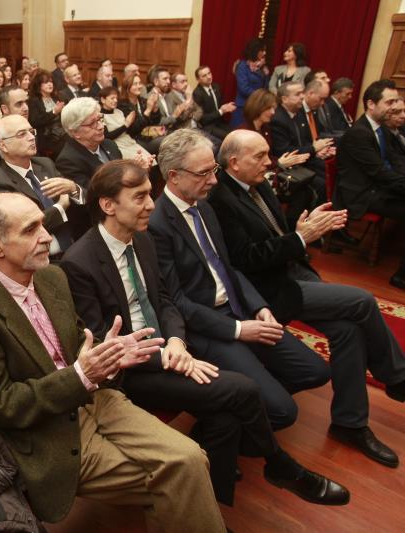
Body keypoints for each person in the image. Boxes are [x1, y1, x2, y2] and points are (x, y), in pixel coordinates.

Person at [63, 158, 348, 507]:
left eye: (150, 195)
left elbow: (165, 301)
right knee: (242, 389)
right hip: (130, 370)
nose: (152, 205)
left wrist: (178, 343)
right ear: (108, 205)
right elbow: (105, 344)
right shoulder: (79, 263)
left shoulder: (142, 239)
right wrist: (166, 355)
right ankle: (280, 465)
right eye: (139, 197)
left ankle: (210, 507)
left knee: (225, 416)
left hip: (168, 348)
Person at [0, 191, 226, 531]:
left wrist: (109, 355)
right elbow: (1, 406)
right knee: (179, 475)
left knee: (191, 458)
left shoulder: (51, 277)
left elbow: (78, 339)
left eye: (44, 226)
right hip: (47, 431)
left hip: (98, 400)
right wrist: (80, 375)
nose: (48, 237)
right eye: (31, 230)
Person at [209, 129, 405, 468]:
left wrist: (299, 229)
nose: (269, 162)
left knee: (348, 328)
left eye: (268, 153)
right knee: (361, 301)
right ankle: (397, 376)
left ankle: (350, 423)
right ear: (234, 162)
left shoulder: (259, 183)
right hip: (267, 291)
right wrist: (299, 239)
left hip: (290, 272)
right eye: (260, 156)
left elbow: (274, 232)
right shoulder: (219, 199)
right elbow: (243, 261)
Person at [149, 128, 332, 431]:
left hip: (241, 309)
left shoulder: (204, 207)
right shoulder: (156, 225)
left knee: (316, 372)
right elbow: (176, 301)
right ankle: (220, 428)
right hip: (208, 326)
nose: (214, 180)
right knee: (285, 412)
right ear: (173, 176)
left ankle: (236, 413)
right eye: (203, 173)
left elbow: (229, 267)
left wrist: (259, 307)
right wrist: (237, 330)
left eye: (214, 170)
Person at [336, 79, 405, 288]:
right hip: (362, 194)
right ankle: (401, 277)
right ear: (371, 104)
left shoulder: (381, 129)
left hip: (378, 187)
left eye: (395, 101)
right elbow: (379, 173)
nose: (394, 107)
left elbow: (395, 162)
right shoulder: (359, 133)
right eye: (389, 102)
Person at [0, 114, 79, 255]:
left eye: (31, 131)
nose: (31, 137)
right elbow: (25, 227)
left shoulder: (45, 163)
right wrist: (60, 207)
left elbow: (73, 198)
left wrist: (73, 189)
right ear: (3, 145)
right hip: (42, 257)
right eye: (22, 134)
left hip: (74, 243)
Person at [270, 80, 334, 228]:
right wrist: (313, 149)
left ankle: (322, 224)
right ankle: (309, 226)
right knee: (320, 185)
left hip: (304, 161)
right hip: (287, 167)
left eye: (302, 93)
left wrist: (318, 151)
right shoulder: (279, 119)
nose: (302, 96)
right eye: (297, 94)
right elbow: (286, 152)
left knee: (330, 172)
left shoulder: (297, 114)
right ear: (284, 99)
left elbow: (304, 143)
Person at [55, 96, 122, 191]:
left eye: (100, 119)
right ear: (75, 132)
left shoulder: (109, 144)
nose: (101, 126)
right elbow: (90, 195)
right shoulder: (68, 161)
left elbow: (122, 173)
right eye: (92, 123)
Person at [241, 88, 311, 171]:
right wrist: (279, 163)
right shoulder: (244, 133)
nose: (273, 112)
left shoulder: (265, 128)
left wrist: (289, 159)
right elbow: (251, 165)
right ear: (258, 107)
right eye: (269, 108)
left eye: (274, 108)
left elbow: (270, 155)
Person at [118, 72, 163, 154]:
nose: (139, 86)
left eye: (140, 83)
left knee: (170, 140)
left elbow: (156, 121)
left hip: (148, 136)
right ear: (127, 87)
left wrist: (155, 108)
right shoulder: (122, 105)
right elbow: (133, 129)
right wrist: (148, 110)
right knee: (164, 143)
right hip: (133, 139)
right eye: (135, 84)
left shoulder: (142, 101)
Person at [100, 87, 150, 160]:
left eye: (116, 98)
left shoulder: (119, 112)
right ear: (103, 100)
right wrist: (126, 125)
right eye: (112, 98)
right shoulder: (100, 115)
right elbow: (107, 137)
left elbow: (129, 131)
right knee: (142, 162)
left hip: (129, 142)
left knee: (150, 160)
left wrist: (131, 123)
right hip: (117, 146)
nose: (115, 100)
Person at [27, 69, 66, 158]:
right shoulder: (34, 101)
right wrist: (54, 112)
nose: (50, 84)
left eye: (51, 82)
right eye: (46, 82)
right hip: (47, 137)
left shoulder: (57, 97)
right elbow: (35, 121)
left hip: (62, 133)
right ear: (38, 85)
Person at [231, 38, 269, 127]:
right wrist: (260, 96)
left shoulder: (263, 67)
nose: (264, 53)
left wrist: (265, 72)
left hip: (257, 107)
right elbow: (243, 88)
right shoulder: (243, 65)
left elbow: (265, 86)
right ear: (255, 50)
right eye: (262, 50)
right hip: (244, 106)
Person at [192, 65, 235, 140]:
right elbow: (202, 119)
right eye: (204, 76)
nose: (209, 77)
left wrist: (226, 107)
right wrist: (221, 111)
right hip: (208, 126)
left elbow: (220, 106)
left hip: (220, 122)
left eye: (209, 73)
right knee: (229, 137)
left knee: (236, 133)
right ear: (198, 79)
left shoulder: (216, 86)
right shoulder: (197, 93)